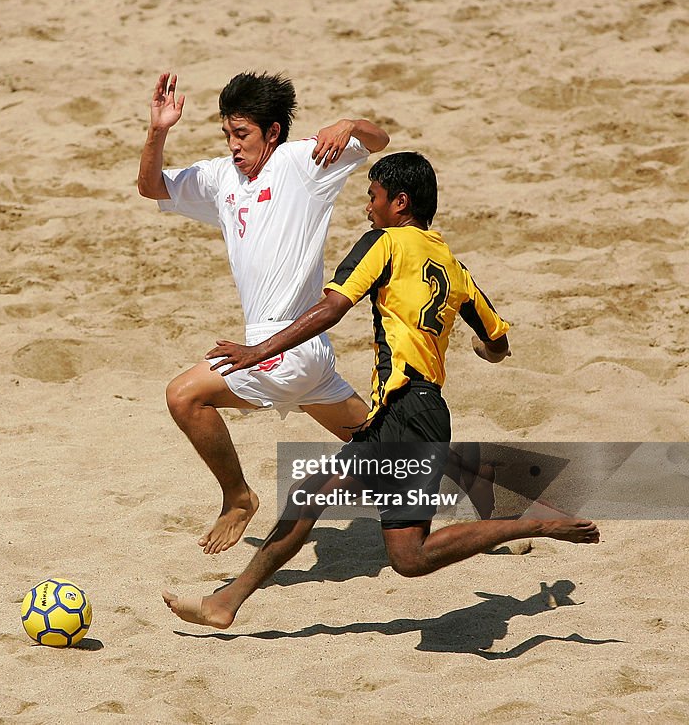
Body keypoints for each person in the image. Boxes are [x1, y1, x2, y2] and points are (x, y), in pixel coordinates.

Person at [163, 152, 599, 628]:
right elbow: (498, 343)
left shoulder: (385, 243)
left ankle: (530, 522)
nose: (367, 207)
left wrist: (259, 351)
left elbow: (331, 309)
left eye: (373, 197)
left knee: (407, 557)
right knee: (315, 497)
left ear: (400, 202)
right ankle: (225, 603)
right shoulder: (453, 265)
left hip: (408, 410)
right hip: (409, 409)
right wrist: (479, 347)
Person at [137, 71, 390, 554]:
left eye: (242, 134)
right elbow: (152, 188)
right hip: (305, 353)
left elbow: (379, 141)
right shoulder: (219, 178)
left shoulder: (304, 163)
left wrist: (350, 124)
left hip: (282, 349)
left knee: (183, 397)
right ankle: (506, 516)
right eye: (227, 134)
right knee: (388, 455)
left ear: (273, 132)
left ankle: (238, 497)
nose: (233, 145)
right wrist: (158, 130)